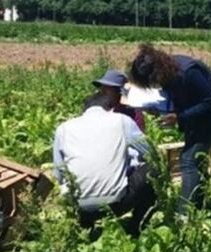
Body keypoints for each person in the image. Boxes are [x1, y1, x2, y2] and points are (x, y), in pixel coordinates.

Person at [130, 44, 211, 208]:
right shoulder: (168, 73)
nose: (154, 84)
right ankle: (200, 202)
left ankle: (184, 212)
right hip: (195, 116)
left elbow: (210, 103)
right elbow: (178, 99)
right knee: (197, 160)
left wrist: (179, 116)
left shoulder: (189, 72)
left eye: (153, 80)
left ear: (158, 70)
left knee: (188, 161)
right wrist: (160, 110)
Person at [52, 93, 154, 236]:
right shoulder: (122, 121)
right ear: (110, 108)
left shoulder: (63, 128)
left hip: (79, 206)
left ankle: (85, 227)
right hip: (116, 203)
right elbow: (150, 152)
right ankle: (137, 226)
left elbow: (59, 172)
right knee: (153, 169)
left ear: (84, 110)